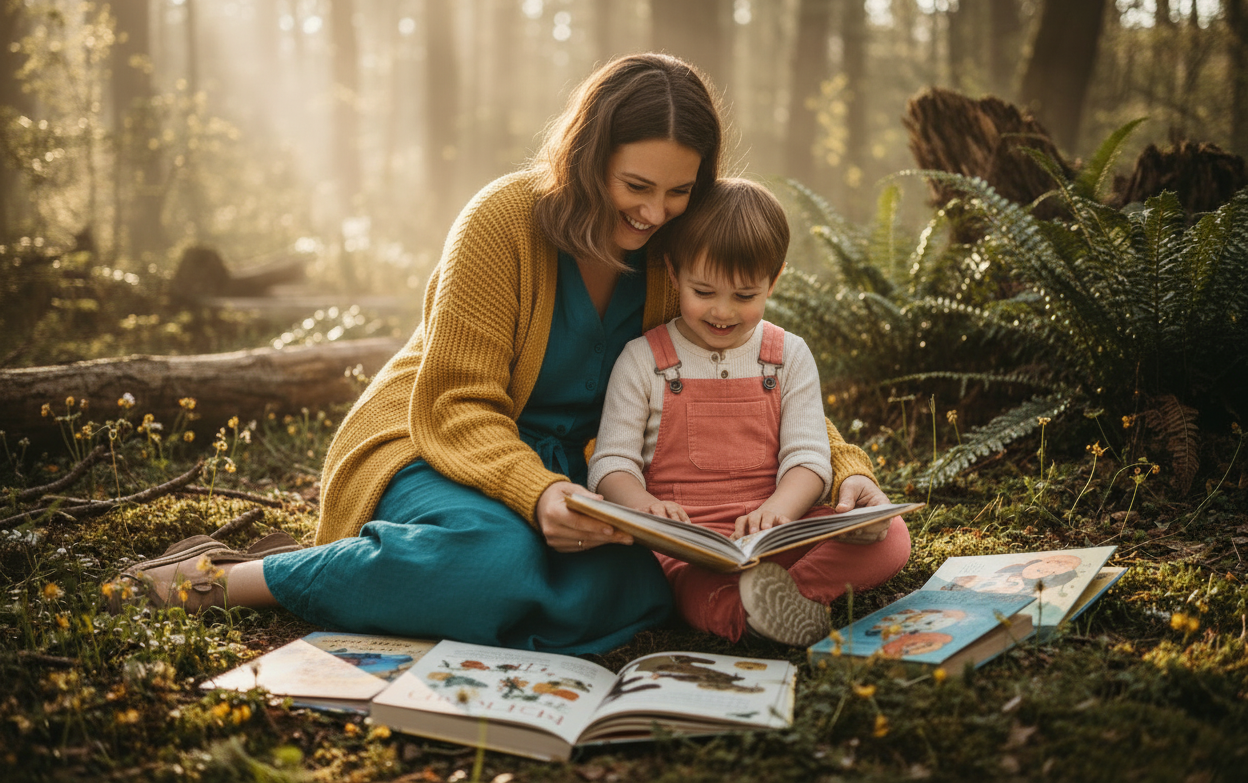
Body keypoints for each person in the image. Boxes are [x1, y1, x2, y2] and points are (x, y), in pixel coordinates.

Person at [113, 54, 891, 655]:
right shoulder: (503, 220)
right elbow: (453, 404)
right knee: (490, 559)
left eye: (681, 191)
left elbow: (753, 378)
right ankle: (230, 580)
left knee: (638, 588)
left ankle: (393, 570)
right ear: (590, 155)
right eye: (636, 184)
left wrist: (848, 467)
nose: (656, 212)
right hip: (438, 448)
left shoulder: (677, 253)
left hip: (584, 483)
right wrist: (539, 493)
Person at [588, 178, 911, 647]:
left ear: (773, 280)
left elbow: (808, 456)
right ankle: (743, 610)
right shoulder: (642, 360)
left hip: (778, 531)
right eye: (704, 291)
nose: (723, 311)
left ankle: (786, 595)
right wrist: (645, 508)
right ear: (673, 272)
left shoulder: (788, 356)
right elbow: (611, 462)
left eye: (745, 295)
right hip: (691, 545)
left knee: (890, 535)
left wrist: (779, 511)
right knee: (688, 589)